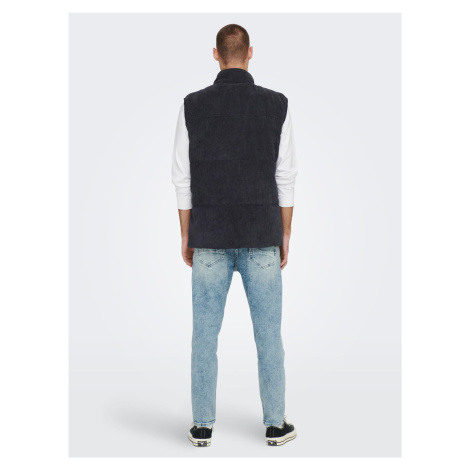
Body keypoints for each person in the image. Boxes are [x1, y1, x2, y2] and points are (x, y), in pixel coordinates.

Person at [171, 24, 298, 447]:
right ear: (250, 52)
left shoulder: (192, 105)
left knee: (204, 337)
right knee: (269, 336)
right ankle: (275, 424)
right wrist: (285, 232)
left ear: (215, 54)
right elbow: (285, 176)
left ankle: (202, 426)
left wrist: (187, 234)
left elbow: (182, 178)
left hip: (209, 237)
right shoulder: (277, 105)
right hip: (262, 234)